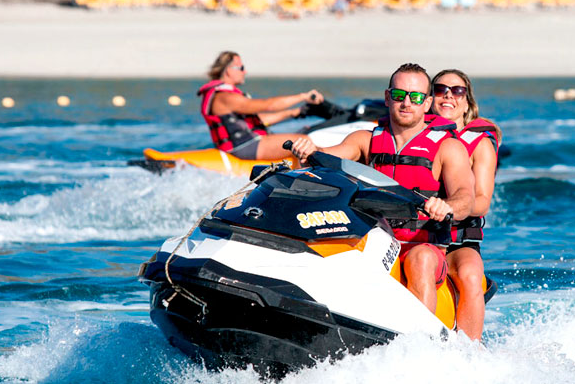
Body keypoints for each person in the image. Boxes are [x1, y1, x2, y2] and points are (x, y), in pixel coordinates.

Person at [291, 63, 474, 323]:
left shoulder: (449, 148)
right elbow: (322, 159)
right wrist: (308, 151)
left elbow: (466, 199)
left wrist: (447, 206)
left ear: (427, 103)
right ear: (388, 98)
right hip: (374, 239)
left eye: (416, 97)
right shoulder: (365, 140)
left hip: (421, 246)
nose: (406, 103)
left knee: (420, 259)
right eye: (399, 95)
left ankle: (418, 343)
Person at [430, 68, 502, 341]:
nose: (448, 95)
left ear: (467, 103)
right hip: (411, 233)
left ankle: (472, 352)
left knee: (471, 273)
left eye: (457, 91)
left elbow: (482, 202)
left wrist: (449, 206)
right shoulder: (413, 138)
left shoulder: (479, 145)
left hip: (457, 240)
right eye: (439, 89)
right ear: (428, 99)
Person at [199, 51, 324, 160]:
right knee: (304, 141)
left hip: (246, 143)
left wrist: (294, 112)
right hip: (243, 146)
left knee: (305, 135)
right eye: (241, 68)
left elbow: (260, 120)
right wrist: (304, 97)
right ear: (228, 71)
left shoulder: (224, 95)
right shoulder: (225, 97)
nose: (245, 71)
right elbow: (269, 105)